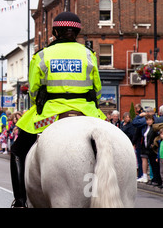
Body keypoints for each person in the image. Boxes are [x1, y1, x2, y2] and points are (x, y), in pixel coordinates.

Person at [9, 11, 106, 207]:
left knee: (18, 150)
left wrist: (40, 101)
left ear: (54, 31)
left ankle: (19, 201)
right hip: (87, 112)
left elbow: (34, 90)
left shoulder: (42, 55)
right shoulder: (89, 54)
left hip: (51, 115)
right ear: (77, 32)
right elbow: (97, 89)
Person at [133, 113, 161, 185]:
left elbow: (157, 137)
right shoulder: (145, 127)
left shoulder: (154, 128)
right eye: (147, 120)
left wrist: (153, 145)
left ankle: (157, 180)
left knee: (155, 165)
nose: (148, 121)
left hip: (152, 149)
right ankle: (153, 179)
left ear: (152, 120)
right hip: (146, 148)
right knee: (151, 164)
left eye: (149, 120)